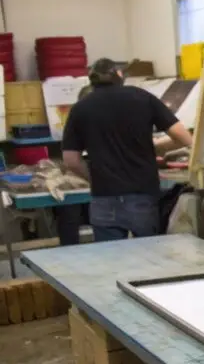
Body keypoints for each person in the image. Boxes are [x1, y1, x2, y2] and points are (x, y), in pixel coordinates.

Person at [62, 58, 193, 242]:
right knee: (150, 258)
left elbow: (71, 160)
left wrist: (95, 178)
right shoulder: (142, 97)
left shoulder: (80, 108)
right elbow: (183, 137)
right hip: (142, 195)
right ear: (119, 75)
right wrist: (155, 148)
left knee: (113, 264)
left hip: (104, 197)